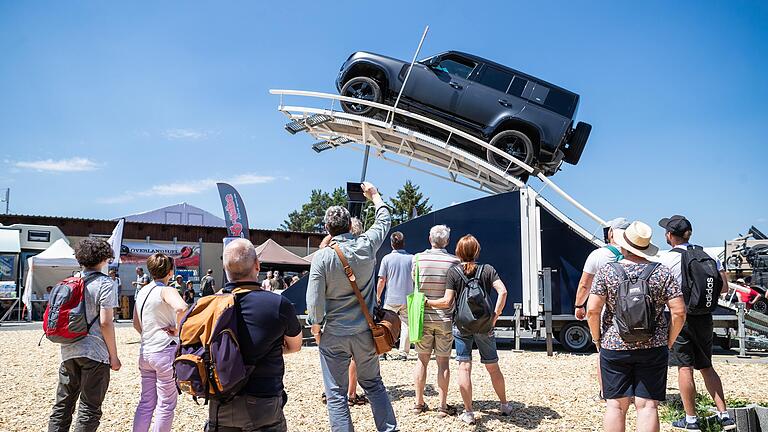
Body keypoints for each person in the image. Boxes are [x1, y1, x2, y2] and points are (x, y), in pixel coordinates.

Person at [307, 182, 398, 432]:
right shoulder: (366, 245)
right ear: (350, 226)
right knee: (374, 385)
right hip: (365, 332)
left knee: (336, 393)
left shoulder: (322, 257)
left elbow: (314, 299)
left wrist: (316, 329)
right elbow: (384, 220)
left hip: (334, 333)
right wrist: (375, 195)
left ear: (327, 228)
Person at [587, 221, 687, 432]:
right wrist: (668, 340)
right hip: (653, 346)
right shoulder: (662, 272)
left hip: (614, 345)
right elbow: (679, 312)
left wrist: (597, 339)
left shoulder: (607, 272)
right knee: (648, 406)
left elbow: (592, 311)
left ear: (624, 245)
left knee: (615, 405)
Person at [205, 238, 303, 431]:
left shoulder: (210, 304)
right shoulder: (277, 304)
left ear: (225, 268)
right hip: (263, 401)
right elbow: (295, 346)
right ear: (257, 266)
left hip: (220, 399)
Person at [657, 215, 736, 431]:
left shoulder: (666, 259)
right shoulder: (708, 254)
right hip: (704, 317)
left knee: (685, 367)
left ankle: (691, 420)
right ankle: (724, 415)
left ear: (670, 235)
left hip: (679, 317)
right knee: (707, 366)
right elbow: (724, 288)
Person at [433, 234, 511, 425]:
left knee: (464, 367)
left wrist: (425, 302)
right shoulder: (487, 270)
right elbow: (503, 291)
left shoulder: (453, 273)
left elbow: (447, 302)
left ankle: (468, 412)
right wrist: (495, 316)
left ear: (458, 251)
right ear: (477, 251)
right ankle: (504, 405)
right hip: (485, 325)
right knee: (492, 367)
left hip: (462, 325)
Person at [48, 237, 122, 432]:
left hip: (68, 349)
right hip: (95, 352)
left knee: (62, 406)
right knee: (89, 408)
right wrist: (114, 356)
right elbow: (106, 322)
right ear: (104, 258)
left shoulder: (72, 280)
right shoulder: (106, 284)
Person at [574, 217, 631, 398]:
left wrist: (579, 305)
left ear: (611, 233)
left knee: (604, 353)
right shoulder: (638, 254)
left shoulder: (598, 255)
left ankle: (607, 392)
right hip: (637, 314)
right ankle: (631, 392)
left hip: (609, 316)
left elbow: (585, 284)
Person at [132, 253, 189, 432]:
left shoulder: (142, 291)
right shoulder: (167, 290)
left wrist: (149, 333)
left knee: (146, 402)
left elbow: (136, 323)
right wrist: (177, 329)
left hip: (146, 351)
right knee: (166, 404)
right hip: (164, 350)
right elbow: (182, 307)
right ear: (171, 272)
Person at [410, 225, 460, 417]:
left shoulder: (418, 259)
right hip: (445, 317)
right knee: (443, 363)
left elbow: (414, 283)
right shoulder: (454, 261)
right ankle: (442, 405)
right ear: (447, 241)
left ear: (429, 238)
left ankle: (418, 402)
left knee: (421, 360)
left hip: (422, 316)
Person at [376, 232, 414, 361]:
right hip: (408, 297)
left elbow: (382, 280)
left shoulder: (386, 259)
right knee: (406, 324)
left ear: (392, 243)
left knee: (386, 324)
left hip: (391, 297)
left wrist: (378, 295)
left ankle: (383, 351)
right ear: (404, 243)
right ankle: (403, 353)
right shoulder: (412, 258)